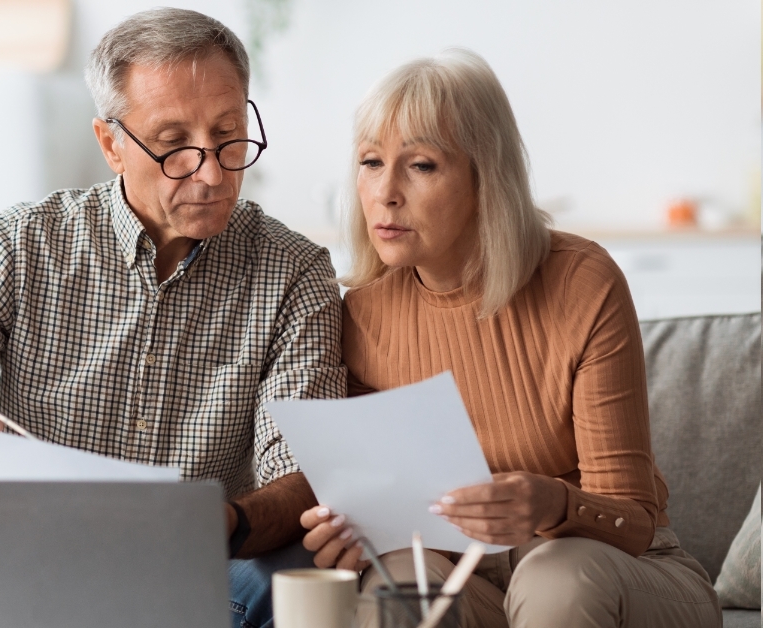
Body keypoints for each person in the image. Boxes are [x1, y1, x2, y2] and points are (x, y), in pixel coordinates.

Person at [0, 8, 341, 626]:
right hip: (8, 556)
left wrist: (227, 521)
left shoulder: (295, 272)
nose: (214, 172)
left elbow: (301, 475)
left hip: (186, 569)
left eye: (228, 134)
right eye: (174, 145)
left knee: (301, 567)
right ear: (111, 144)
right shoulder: (17, 244)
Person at [300, 50, 721, 627]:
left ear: (485, 174)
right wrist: (349, 532)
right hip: (471, 582)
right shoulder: (362, 313)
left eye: (420, 165)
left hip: (622, 571)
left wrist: (551, 503)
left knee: (555, 577)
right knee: (400, 583)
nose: (385, 192)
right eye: (371, 162)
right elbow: (388, 506)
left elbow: (636, 519)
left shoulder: (580, 281)